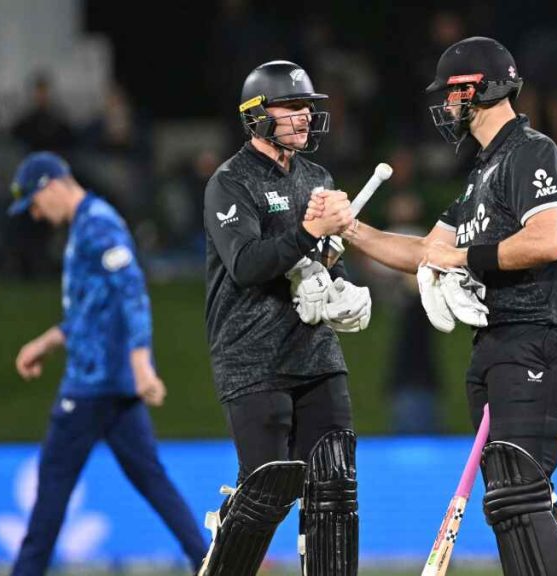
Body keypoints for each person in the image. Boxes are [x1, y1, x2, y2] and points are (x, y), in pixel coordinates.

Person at [318, 36, 557, 575]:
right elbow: (424, 251)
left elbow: (546, 240)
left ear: (476, 89)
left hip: (538, 337)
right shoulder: (482, 175)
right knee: (507, 503)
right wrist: (349, 230)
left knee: (517, 493)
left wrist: (462, 256)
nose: (444, 106)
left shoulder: (531, 152)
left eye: (450, 93)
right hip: (495, 346)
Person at [198, 60, 367, 575]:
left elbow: (324, 253)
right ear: (256, 116)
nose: (304, 118)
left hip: (315, 351)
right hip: (252, 354)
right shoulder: (230, 183)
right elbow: (248, 265)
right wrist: (310, 233)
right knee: (269, 485)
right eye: (292, 108)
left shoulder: (317, 177)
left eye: (308, 109)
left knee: (335, 487)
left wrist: (336, 283)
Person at [6, 152, 206, 575]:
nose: (37, 216)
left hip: (92, 384)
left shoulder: (97, 224)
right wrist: (48, 341)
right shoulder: (87, 223)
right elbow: (93, 306)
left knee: (51, 493)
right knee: (152, 481)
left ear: (51, 185)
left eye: (35, 205)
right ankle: (211, 562)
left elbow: (131, 291)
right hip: (110, 384)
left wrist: (141, 365)